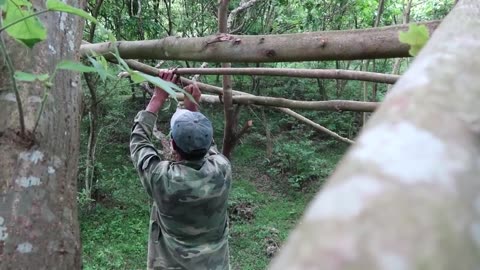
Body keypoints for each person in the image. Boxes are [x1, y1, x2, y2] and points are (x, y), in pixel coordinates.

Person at [130, 70, 232, 270]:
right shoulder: (222, 169)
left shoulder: (163, 179)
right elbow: (207, 147)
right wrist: (193, 110)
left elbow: (139, 143)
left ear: (172, 146)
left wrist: (157, 98)